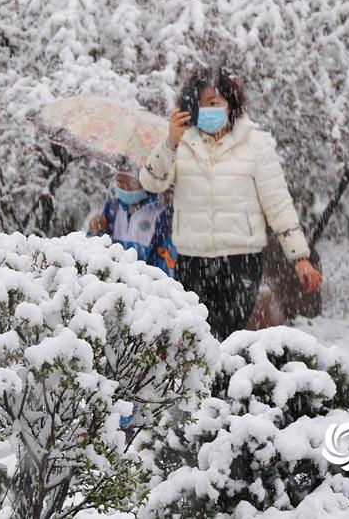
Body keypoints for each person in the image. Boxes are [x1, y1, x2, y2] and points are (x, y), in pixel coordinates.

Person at [140, 65, 322, 339]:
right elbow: (151, 182)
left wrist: (300, 257)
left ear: (230, 103)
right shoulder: (182, 142)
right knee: (195, 338)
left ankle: (224, 381)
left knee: (226, 335)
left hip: (240, 260)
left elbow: (278, 203)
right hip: (192, 260)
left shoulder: (255, 144)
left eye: (214, 103)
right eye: (201, 104)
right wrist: (170, 142)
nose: (208, 110)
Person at [88, 171, 176, 277]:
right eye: (118, 173)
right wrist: (96, 231)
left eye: (127, 174)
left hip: (143, 287)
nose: (120, 179)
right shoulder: (113, 207)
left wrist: (142, 282)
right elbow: (94, 253)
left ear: (146, 177)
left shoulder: (162, 213)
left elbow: (165, 269)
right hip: (113, 282)